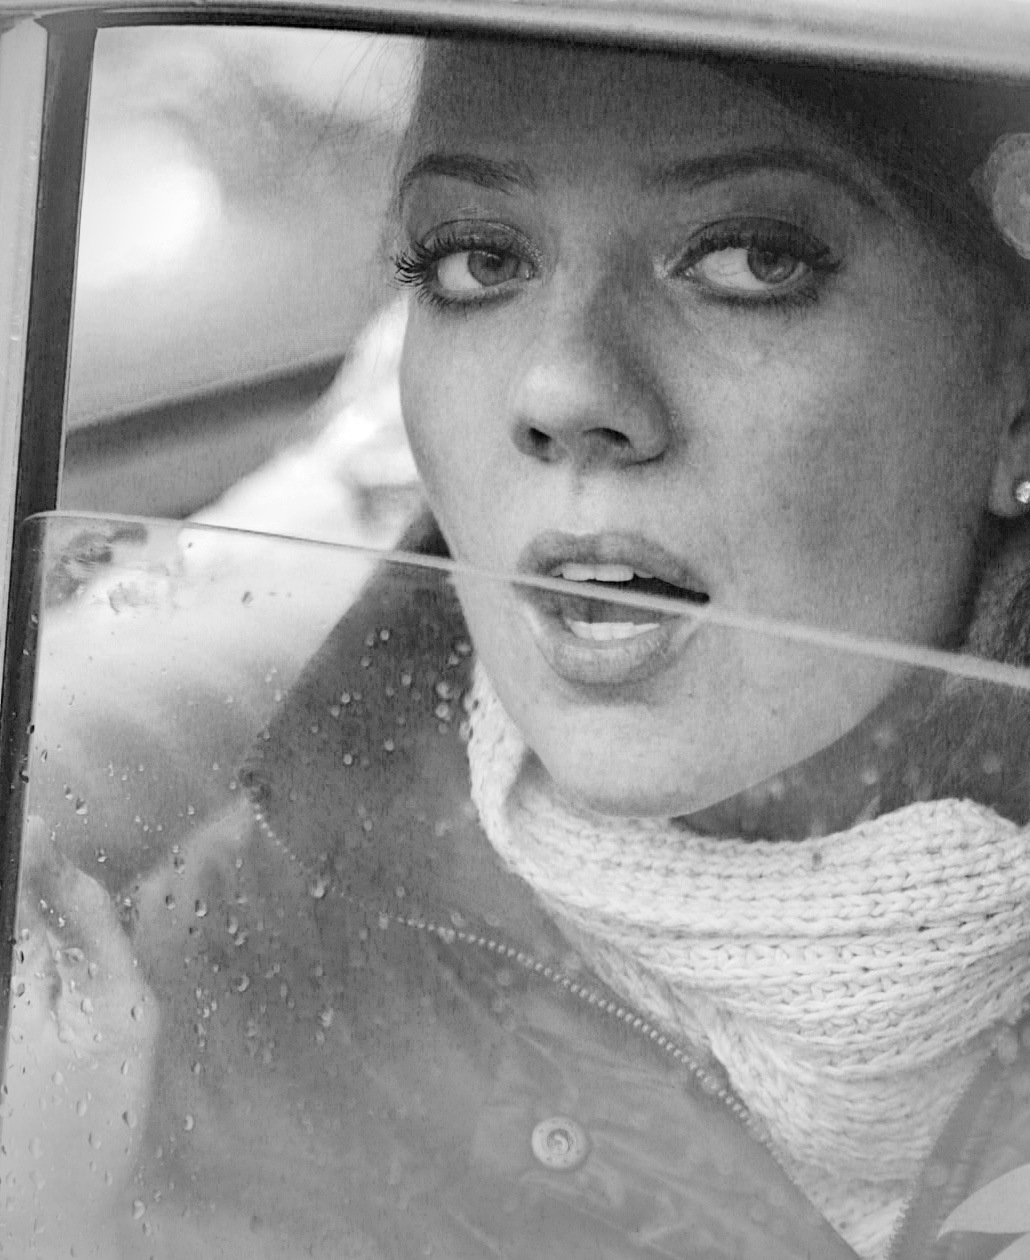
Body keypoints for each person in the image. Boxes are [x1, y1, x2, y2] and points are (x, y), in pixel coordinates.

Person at [6, 34, 1030, 1260]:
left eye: (751, 260)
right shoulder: (247, 956)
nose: (561, 389)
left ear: (1018, 391)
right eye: (476, 261)